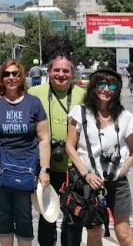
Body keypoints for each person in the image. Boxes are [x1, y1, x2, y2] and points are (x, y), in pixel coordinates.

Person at [0, 61, 51, 246]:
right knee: (3, 211)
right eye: (7, 74)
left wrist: (45, 169)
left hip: (25, 166)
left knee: (23, 213)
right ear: (1, 77)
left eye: (15, 74)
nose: (11, 77)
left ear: (21, 77)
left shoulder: (33, 103)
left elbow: (44, 138)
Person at [65, 70, 133, 246]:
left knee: (123, 233)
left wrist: (123, 169)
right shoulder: (80, 113)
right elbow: (70, 146)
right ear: (93, 87)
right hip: (90, 182)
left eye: (112, 85)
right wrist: (86, 175)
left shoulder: (126, 117)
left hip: (117, 183)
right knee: (93, 231)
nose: (106, 89)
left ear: (117, 90)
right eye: (101, 84)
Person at [27, 55, 86, 246]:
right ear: (49, 72)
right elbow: (9, 95)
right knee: (47, 217)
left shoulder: (83, 94)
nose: (61, 74)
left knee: (73, 218)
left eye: (66, 71)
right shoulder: (34, 92)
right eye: (56, 70)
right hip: (45, 167)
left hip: (73, 167)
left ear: (73, 74)